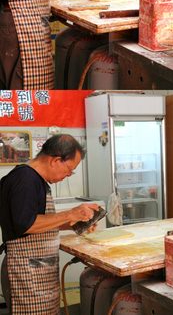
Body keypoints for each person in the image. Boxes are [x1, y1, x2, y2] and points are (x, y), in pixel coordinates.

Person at [0, 134, 99, 314]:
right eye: (69, 169)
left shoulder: (36, 180)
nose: (68, 175)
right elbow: (26, 224)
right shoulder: (25, 179)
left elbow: (40, 223)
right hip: (25, 271)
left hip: (38, 270)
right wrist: (70, 213)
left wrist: (74, 223)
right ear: (55, 160)